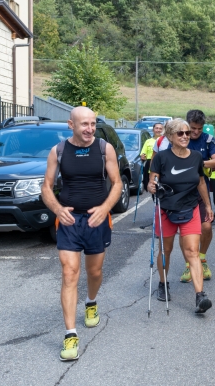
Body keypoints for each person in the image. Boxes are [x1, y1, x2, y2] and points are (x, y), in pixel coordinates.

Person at [42, 106, 122, 361]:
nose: (89, 129)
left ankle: (90, 302)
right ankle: (70, 334)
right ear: (71, 125)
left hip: (97, 219)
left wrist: (105, 208)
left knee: (94, 271)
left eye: (92, 123)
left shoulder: (103, 148)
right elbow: (46, 187)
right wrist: (57, 208)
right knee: (69, 273)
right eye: (84, 124)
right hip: (69, 220)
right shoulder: (58, 152)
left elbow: (118, 183)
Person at [148, 119, 214, 313]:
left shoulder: (195, 157)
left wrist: (208, 206)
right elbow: (152, 182)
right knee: (166, 250)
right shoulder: (161, 157)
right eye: (180, 133)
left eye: (187, 133)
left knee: (192, 251)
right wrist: (151, 186)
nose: (185, 136)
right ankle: (162, 283)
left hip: (191, 207)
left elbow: (201, 182)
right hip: (166, 209)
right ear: (170, 136)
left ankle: (200, 296)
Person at [179, 110, 215, 283]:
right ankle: (189, 264)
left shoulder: (208, 139)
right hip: (181, 192)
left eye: (199, 128)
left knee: (207, 227)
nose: (195, 132)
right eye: (193, 128)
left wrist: (197, 162)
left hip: (202, 189)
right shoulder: (181, 137)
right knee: (185, 233)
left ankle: (202, 259)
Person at [140, 122, 164, 191]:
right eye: (156, 128)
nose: (158, 130)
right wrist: (142, 156)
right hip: (150, 163)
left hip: (162, 163)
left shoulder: (165, 141)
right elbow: (143, 153)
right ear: (153, 130)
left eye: (160, 129)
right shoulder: (148, 141)